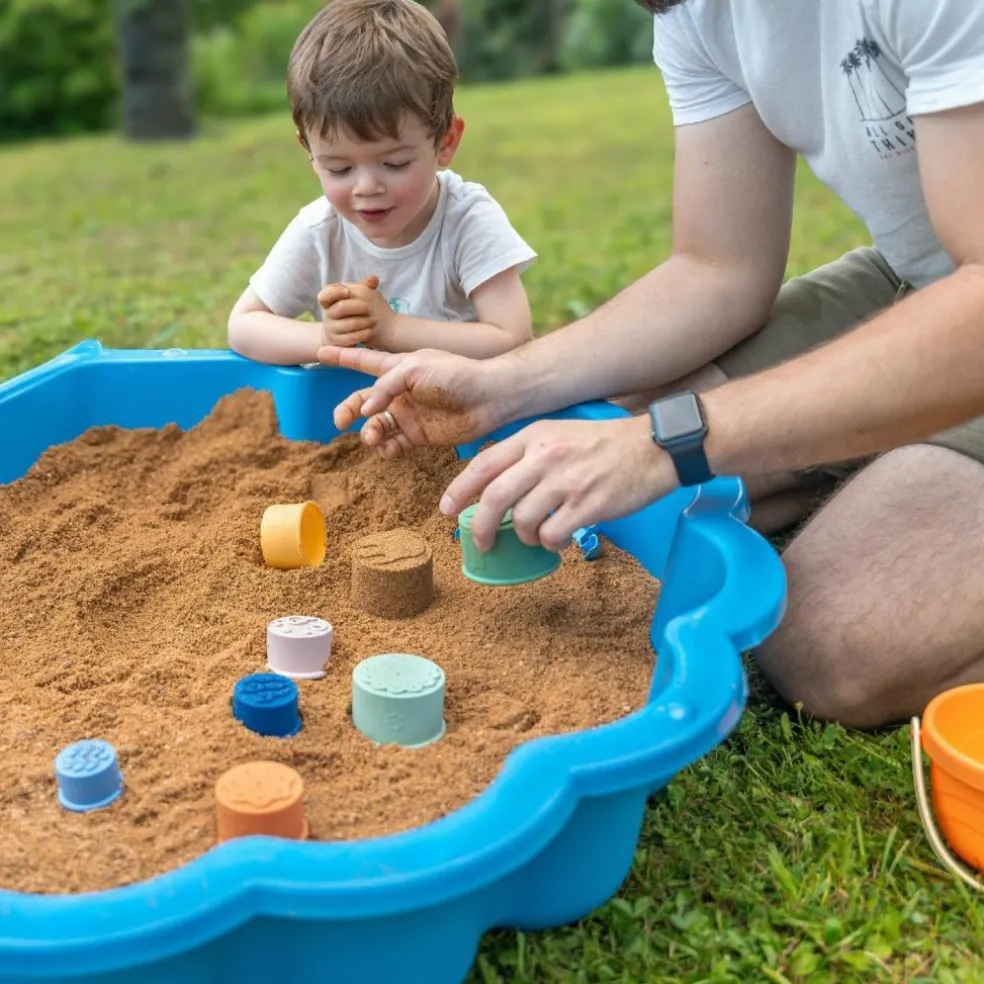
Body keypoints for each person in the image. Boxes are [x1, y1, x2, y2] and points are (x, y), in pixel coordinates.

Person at [318, 0, 984, 731]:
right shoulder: (692, 10)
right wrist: (504, 385)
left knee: (830, 643)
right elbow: (718, 269)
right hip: (916, 276)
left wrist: (665, 442)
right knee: (603, 458)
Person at [227, 0, 537, 366]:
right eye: (339, 169)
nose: (367, 187)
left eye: (395, 163)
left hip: (453, 400)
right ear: (310, 152)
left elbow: (513, 340)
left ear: (446, 142)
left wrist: (392, 330)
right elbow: (244, 327)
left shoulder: (466, 220)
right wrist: (323, 337)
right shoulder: (320, 232)